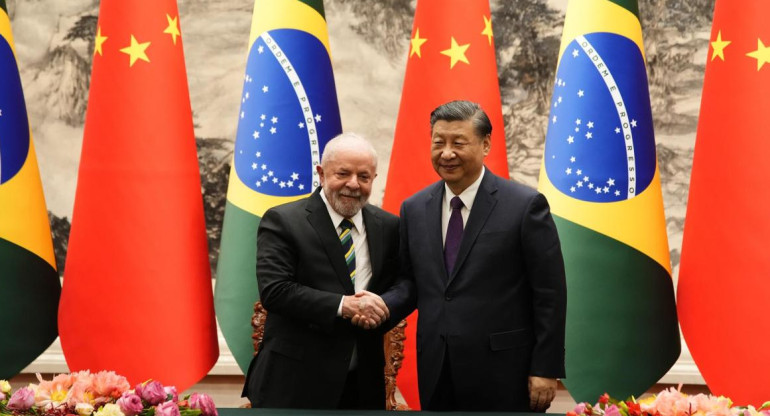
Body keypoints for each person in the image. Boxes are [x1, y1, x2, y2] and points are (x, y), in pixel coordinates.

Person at [377, 100, 567, 412]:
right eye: (439, 142)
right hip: (436, 368)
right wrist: (380, 306)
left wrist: (545, 367)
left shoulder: (524, 206)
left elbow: (549, 292)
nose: (446, 153)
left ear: (486, 143)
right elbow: (412, 281)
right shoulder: (414, 207)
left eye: (458, 143)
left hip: (504, 371)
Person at [242, 133, 399, 409]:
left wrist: (381, 308)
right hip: (295, 382)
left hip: (362, 384)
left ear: (374, 179)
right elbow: (275, 291)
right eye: (343, 173)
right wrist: (344, 306)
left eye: (364, 176)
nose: (353, 184)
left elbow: (404, 283)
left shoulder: (389, 226)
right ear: (321, 173)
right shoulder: (283, 220)